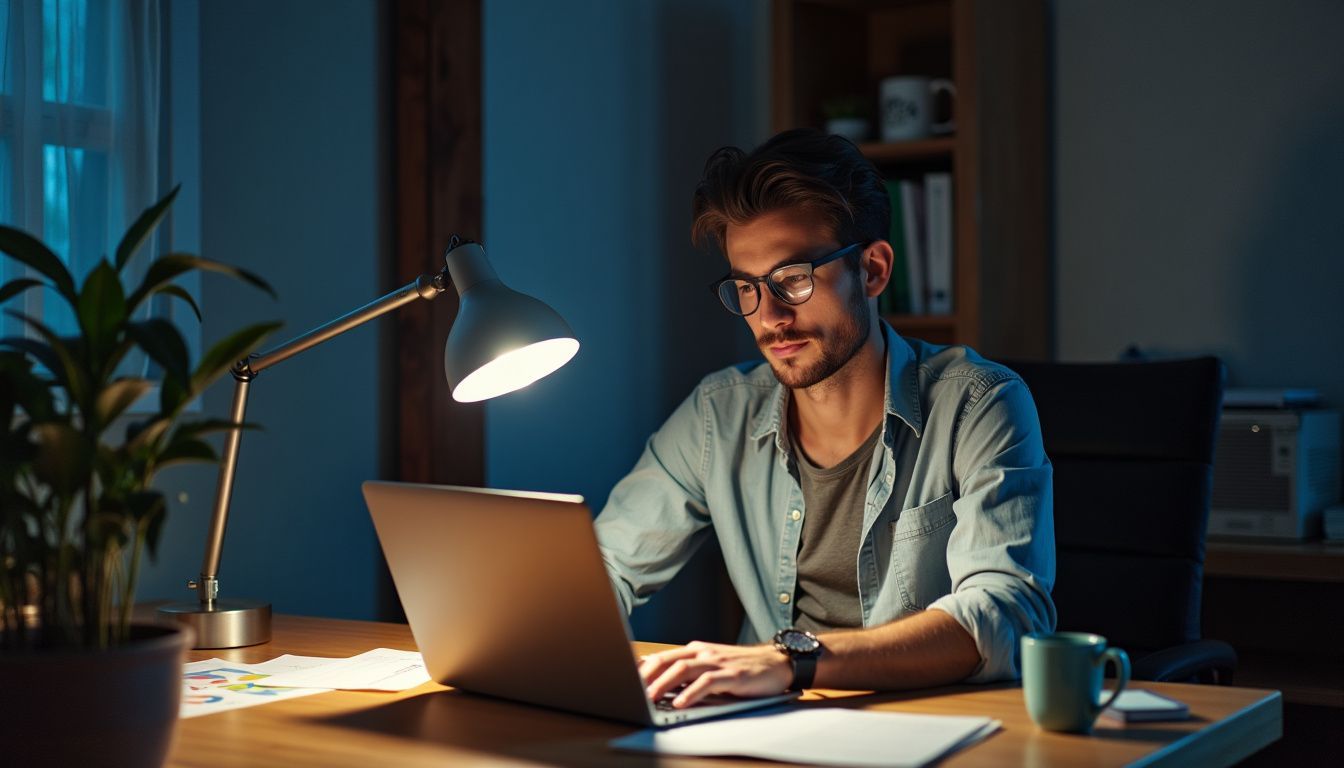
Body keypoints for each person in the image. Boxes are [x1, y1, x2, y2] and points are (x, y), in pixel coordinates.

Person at [594, 129, 1055, 710]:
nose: (770, 318)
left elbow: (1005, 613)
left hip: (933, 726)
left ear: (873, 270)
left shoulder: (980, 403)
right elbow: (602, 569)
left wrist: (790, 663)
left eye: (792, 280)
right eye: (746, 288)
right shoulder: (719, 414)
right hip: (767, 724)